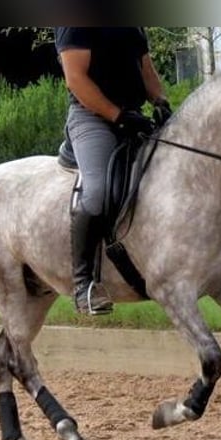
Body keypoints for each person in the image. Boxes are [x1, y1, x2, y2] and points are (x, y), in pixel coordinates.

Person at [54, 27, 172, 315]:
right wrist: (118, 116)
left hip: (133, 117)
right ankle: (83, 284)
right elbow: (76, 79)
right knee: (97, 192)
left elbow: (145, 69)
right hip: (92, 119)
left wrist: (161, 102)